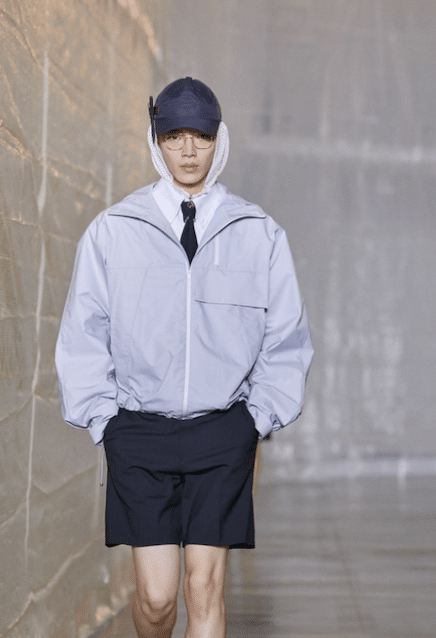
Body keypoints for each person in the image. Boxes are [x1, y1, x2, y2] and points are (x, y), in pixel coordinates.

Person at [55, 77, 313, 638]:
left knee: (205, 589)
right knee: (155, 600)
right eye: (175, 136)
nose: (189, 151)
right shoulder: (114, 230)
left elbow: (286, 334)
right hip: (138, 431)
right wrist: (104, 421)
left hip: (222, 432)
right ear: (156, 141)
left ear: (221, 139)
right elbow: (83, 330)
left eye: (202, 136)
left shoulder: (258, 232)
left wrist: (255, 419)